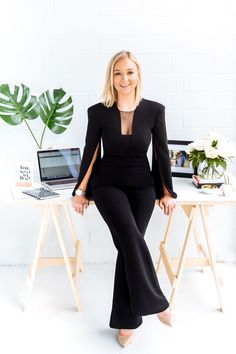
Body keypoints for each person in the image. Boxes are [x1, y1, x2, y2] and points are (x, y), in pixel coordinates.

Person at [72, 50, 177, 348]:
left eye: (129, 72)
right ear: (111, 77)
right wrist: (81, 190)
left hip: (143, 187)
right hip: (108, 185)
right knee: (131, 238)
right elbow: (91, 152)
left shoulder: (155, 110)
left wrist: (166, 191)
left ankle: (126, 322)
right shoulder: (98, 111)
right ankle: (158, 303)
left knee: (129, 248)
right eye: (118, 73)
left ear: (137, 75)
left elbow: (160, 154)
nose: (124, 78)